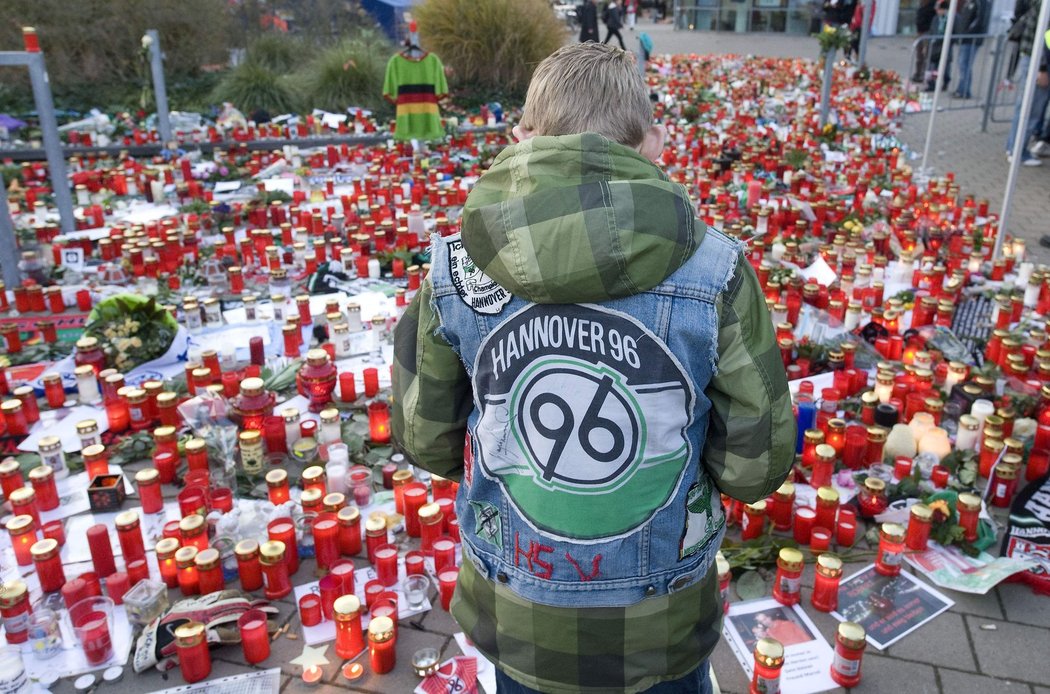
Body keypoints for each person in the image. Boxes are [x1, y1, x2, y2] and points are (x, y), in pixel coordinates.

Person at [392, 43, 794, 694]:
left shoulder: (452, 272)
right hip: (660, 623)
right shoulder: (715, 272)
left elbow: (427, 443)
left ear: (520, 139)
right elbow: (755, 467)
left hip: (518, 613)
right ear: (655, 145)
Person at [1004, 2, 1049, 166]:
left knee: (1025, 107)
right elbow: (1047, 35)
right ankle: (1017, 150)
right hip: (1038, 60)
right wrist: (1043, 68)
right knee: (1031, 108)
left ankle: (1013, 147)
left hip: (1034, 58)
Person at [951, 0, 989, 99]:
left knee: (965, 64)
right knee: (963, 64)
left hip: (971, 39)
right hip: (966, 38)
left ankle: (964, 91)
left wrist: (966, 33)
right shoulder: (969, 2)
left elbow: (978, 21)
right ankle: (962, 88)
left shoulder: (980, 3)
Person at [913, 0, 939, 83]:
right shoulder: (922, 5)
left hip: (927, 32)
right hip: (920, 32)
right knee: (919, 55)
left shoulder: (932, 5)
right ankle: (917, 74)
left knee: (925, 55)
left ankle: (923, 75)